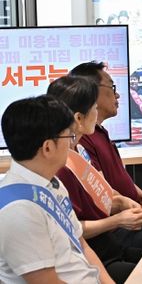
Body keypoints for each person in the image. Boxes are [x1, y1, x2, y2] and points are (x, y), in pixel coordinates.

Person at [47, 76, 142, 283]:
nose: (97, 114)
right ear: (79, 118)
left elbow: (104, 193)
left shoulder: (80, 151)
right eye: (94, 108)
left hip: (108, 245)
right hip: (96, 255)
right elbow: (72, 229)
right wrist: (118, 220)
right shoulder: (60, 166)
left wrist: (122, 202)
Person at [0, 96, 113, 283]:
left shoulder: (52, 184)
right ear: (48, 147)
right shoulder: (19, 210)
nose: (71, 144)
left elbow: (82, 245)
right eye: (69, 136)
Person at [70, 61, 142, 227]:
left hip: (136, 212)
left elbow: (122, 177)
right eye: (112, 88)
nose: (117, 95)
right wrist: (132, 210)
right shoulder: (83, 139)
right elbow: (102, 191)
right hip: (125, 222)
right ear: (91, 91)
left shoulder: (100, 132)